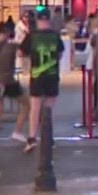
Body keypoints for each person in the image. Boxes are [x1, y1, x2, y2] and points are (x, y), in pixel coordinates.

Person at [22, 10, 65, 152]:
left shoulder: (31, 36)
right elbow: (60, 53)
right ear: (49, 20)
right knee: (49, 109)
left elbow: (22, 52)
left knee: (35, 108)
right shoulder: (55, 35)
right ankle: (48, 138)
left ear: (38, 20)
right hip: (52, 76)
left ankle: (32, 138)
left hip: (36, 76)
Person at [0, 20, 22, 147]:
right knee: (26, 104)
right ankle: (17, 131)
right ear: (7, 32)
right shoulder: (12, 46)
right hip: (9, 81)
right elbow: (22, 53)